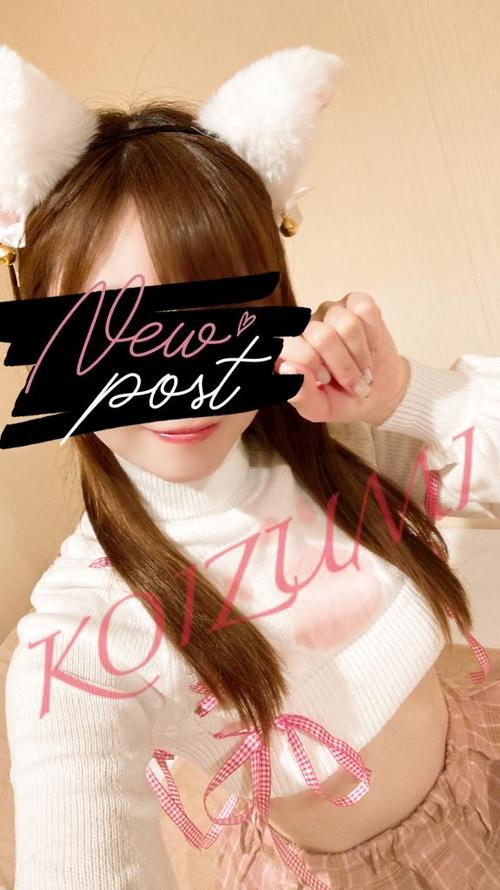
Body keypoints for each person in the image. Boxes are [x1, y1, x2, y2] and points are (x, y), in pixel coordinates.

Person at [3, 44, 500, 890]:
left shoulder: (339, 445)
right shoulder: (84, 635)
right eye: (115, 331)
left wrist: (406, 396)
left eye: (220, 316)